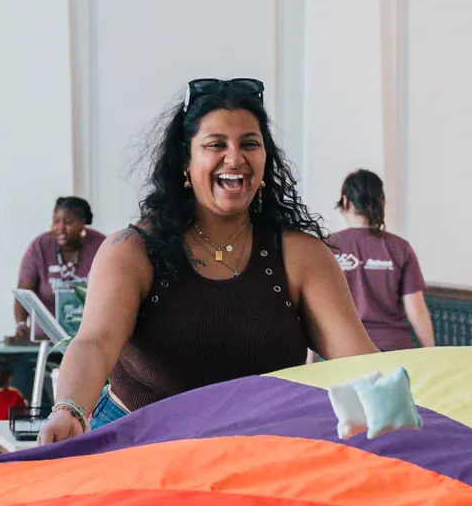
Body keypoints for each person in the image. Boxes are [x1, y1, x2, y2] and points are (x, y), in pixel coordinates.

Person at [39, 78, 377, 445]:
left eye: (250, 144)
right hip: (138, 448)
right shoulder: (132, 250)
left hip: (258, 453)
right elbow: (95, 343)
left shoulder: (301, 256)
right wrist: (68, 410)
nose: (235, 159)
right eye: (216, 144)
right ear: (185, 159)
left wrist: (425, 406)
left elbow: (361, 363)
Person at [326, 169, 435, 352]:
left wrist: (309, 361)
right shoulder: (400, 248)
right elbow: (415, 309)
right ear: (382, 202)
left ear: (345, 201)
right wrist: (431, 353)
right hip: (393, 351)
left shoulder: (327, 247)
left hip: (343, 352)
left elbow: (315, 308)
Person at [13, 196, 106, 338]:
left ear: (82, 223)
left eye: (68, 222)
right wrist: (20, 324)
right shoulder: (40, 246)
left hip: (89, 335)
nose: (60, 228)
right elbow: (24, 291)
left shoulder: (101, 246)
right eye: (56, 221)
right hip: (45, 337)